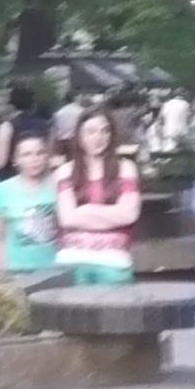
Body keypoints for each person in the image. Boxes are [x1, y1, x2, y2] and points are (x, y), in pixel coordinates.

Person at [54, 108, 142, 284]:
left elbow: (129, 215)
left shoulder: (125, 168)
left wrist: (86, 210)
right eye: (91, 131)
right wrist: (111, 215)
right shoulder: (64, 172)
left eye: (105, 131)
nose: (98, 137)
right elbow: (67, 219)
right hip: (71, 262)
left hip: (115, 263)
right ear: (79, 136)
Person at [0, 132, 60, 276]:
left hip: (56, 269)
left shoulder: (59, 185)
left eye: (40, 153)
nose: (35, 159)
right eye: (26, 154)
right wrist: (3, 271)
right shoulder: (2, 190)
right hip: (17, 271)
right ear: (16, 159)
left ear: (47, 156)